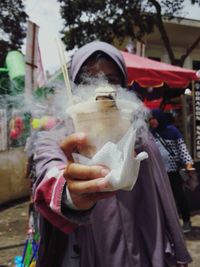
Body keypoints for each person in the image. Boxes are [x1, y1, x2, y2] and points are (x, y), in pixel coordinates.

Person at [32, 41, 192, 267]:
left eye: (112, 81)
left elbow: (163, 196)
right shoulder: (60, 136)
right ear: (75, 88)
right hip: (93, 253)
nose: (101, 89)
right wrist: (71, 194)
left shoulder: (140, 135)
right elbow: (50, 171)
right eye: (89, 79)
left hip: (147, 249)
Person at [149, 108, 195, 233]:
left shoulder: (172, 131)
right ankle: (168, 224)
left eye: (153, 118)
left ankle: (186, 221)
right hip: (158, 172)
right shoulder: (150, 133)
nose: (151, 121)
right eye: (150, 119)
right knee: (162, 199)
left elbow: (182, 149)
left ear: (159, 118)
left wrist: (188, 165)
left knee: (179, 197)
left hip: (173, 172)